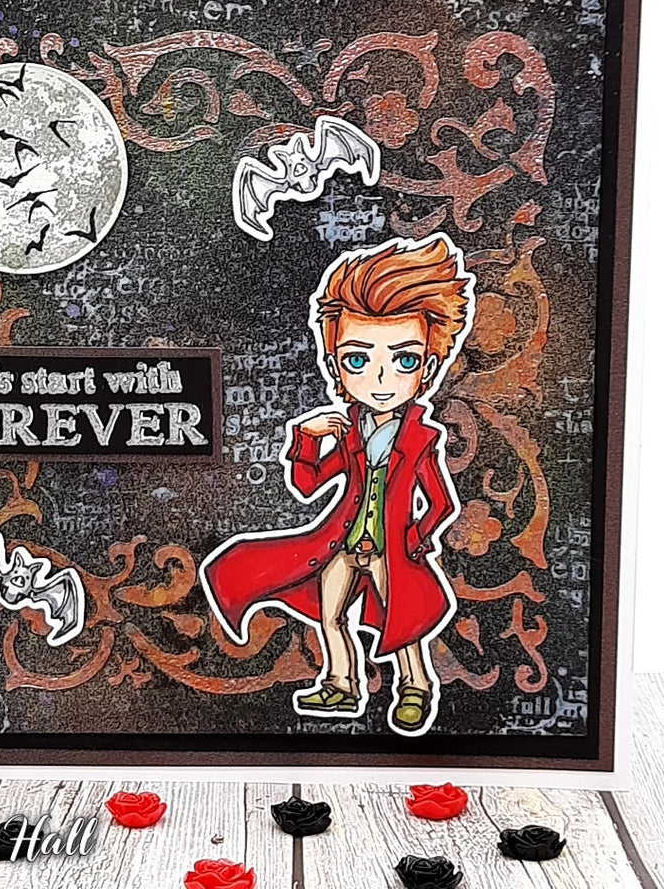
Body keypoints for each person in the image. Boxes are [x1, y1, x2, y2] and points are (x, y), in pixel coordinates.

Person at [201, 235, 474, 734]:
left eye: (404, 360)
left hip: (392, 550)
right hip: (343, 545)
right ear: (334, 367)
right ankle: (341, 682)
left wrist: (414, 540)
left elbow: (439, 502)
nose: (381, 379)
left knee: (401, 622)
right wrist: (306, 440)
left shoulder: (420, 439)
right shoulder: (349, 434)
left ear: (430, 367)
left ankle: (415, 687)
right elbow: (309, 485)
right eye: (358, 360)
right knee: (331, 618)